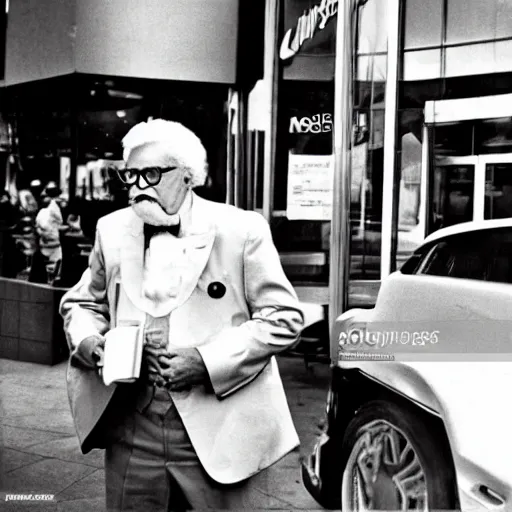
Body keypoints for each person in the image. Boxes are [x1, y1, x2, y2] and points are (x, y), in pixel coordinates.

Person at [59, 119, 304, 511]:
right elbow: (83, 303)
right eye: (131, 175)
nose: (139, 186)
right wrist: (95, 345)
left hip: (217, 431)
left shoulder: (241, 230)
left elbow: (284, 317)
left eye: (152, 174)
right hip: (131, 430)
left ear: (188, 177)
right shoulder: (112, 229)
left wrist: (206, 363)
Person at [34, 182, 63, 283]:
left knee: (56, 264)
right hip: (46, 245)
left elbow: (59, 223)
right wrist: (42, 233)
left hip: (56, 245)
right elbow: (38, 227)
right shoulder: (42, 212)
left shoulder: (54, 207)